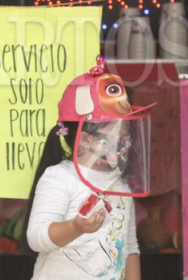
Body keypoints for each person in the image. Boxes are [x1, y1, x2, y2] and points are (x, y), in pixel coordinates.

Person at [24, 57, 152, 280]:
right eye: (116, 129)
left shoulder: (120, 183)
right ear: (85, 139)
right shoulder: (60, 177)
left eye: (127, 128)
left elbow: (130, 248)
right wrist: (76, 227)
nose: (124, 137)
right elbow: (36, 238)